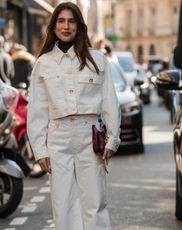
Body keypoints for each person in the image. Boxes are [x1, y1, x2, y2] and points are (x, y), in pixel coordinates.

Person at [27, 2, 121, 230]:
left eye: (71, 21)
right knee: (63, 204)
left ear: (79, 26)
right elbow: (37, 111)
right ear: (53, 26)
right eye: (61, 21)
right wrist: (40, 150)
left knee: (94, 202)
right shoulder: (43, 63)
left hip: (90, 137)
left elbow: (110, 101)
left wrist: (113, 138)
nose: (66, 26)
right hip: (58, 139)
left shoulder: (98, 60)